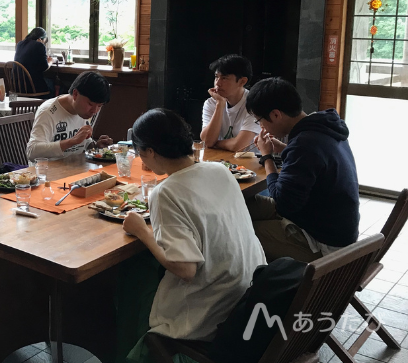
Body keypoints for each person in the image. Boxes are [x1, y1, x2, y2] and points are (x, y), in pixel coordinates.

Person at [121, 109, 266, 362]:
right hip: (249, 291)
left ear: (151, 152)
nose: (142, 160)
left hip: (211, 313)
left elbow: (185, 268)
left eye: (140, 152)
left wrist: (142, 232)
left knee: (130, 285)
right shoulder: (220, 170)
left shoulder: (166, 192)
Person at [245, 77, 360, 262]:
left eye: (259, 121)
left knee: (241, 231)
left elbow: (283, 202)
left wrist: (267, 157)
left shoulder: (304, 144)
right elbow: (311, 162)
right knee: (242, 206)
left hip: (323, 243)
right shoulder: (323, 126)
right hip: (326, 222)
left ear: (275, 115)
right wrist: (282, 148)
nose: (262, 127)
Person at [26, 71, 113, 161]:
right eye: (90, 104)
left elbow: (82, 144)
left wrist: (95, 145)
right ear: (75, 94)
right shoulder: (48, 112)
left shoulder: (83, 112)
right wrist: (72, 141)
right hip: (49, 172)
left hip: (76, 169)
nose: (94, 111)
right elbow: (32, 152)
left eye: (99, 106)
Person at [200, 54, 261, 152]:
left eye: (224, 78)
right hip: (221, 160)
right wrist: (220, 104)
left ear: (242, 81)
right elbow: (207, 141)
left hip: (250, 162)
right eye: (216, 77)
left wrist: (216, 143)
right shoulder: (211, 103)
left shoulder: (254, 104)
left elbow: (239, 146)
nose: (217, 83)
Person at [14, 27, 54, 97]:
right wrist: (50, 61)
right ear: (41, 39)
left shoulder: (20, 44)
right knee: (54, 85)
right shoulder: (39, 45)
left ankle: (17, 104)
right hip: (31, 88)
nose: (44, 43)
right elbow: (44, 67)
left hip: (16, 87)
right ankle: (43, 107)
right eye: (45, 41)